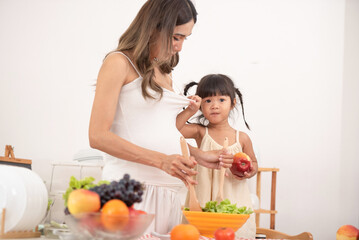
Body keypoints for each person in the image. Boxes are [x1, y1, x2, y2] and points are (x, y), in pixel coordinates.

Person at [88, 0, 233, 234]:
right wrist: (161, 161)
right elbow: (97, 136)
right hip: (131, 192)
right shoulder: (118, 63)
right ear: (154, 27)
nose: (180, 47)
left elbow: (158, 132)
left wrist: (200, 156)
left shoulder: (163, 72)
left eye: (185, 38)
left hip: (169, 195)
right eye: (176, 37)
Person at [176, 74, 258, 238]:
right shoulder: (200, 132)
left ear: (233, 103)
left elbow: (253, 163)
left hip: (234, 201)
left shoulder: (242, 138)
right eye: (207, 101)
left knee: (234, 234)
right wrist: (190, 108)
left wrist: (249, 171)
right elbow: (173, 129)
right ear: (200, 106)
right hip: (204, 199)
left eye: (221, 100)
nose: (214, 105)